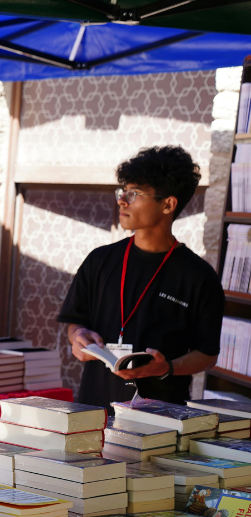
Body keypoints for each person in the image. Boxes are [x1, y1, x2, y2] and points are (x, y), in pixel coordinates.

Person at [57, 146, 224, 411]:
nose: (122, 200)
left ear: (168, 204)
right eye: (123, 191)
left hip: (162, 417)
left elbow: (207, 355)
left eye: (134, 194)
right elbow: (76, 323)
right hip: (92, 410)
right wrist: (78, 336)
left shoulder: (199, 276)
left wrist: (167, 367)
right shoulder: (99, 260)